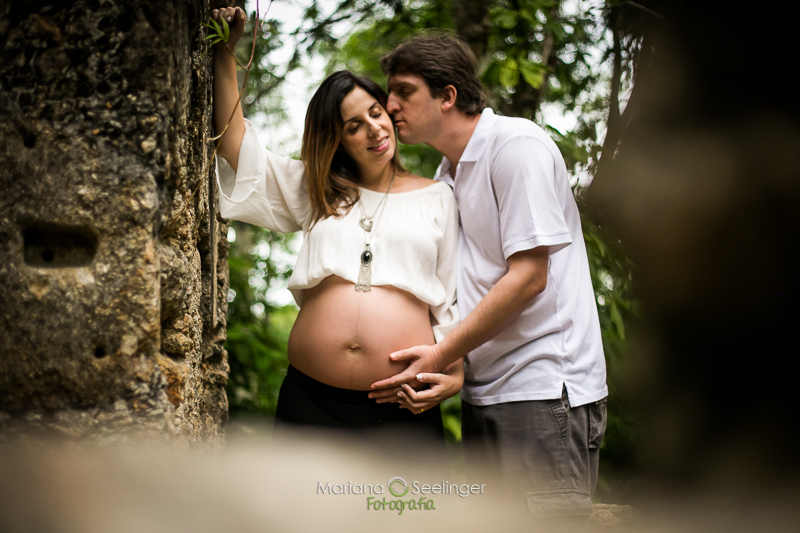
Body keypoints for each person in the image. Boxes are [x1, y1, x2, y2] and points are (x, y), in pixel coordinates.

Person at [371, 34, 608, 524]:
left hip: (543, 391)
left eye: (404, 92)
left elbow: (529, 278)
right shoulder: (447, 175)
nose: (389, 105)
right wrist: (454, 367)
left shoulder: (516, 147)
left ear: (448, 95)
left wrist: (440, 353)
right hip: (485, 392)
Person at [210, 8, 462, 440]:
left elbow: (451, 297)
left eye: (377, 112)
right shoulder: (317, 189)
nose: (374, 129)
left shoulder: (438, 195)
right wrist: (225, 54)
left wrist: (453, 374)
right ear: (339, 139)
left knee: (401, 509)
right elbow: (236, 147)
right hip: (310, 401)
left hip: (402, 401)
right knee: (297, 509)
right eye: (354, 125)